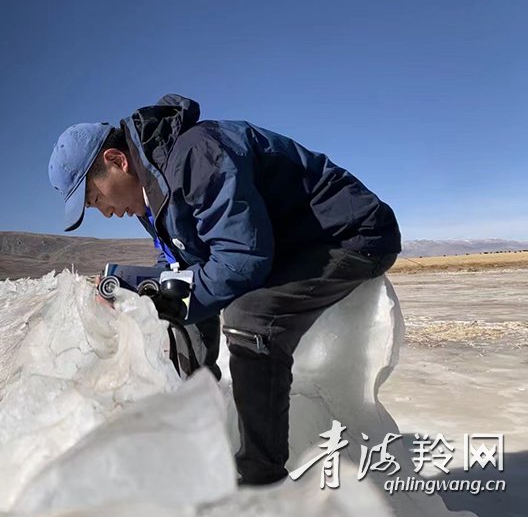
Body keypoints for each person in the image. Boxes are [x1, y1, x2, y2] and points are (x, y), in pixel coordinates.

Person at [47, 94, 401, 486]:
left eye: (95, 199)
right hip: (287, 245)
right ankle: (201, 422)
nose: (105, 212)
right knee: (178, 302)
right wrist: (136, 288)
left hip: (347, 234)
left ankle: (259, 483)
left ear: (117, 161)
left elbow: (241, 261)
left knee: (251, 317)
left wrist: (164, 294)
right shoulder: (155, 192)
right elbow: (183, 269)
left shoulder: (197, 155)